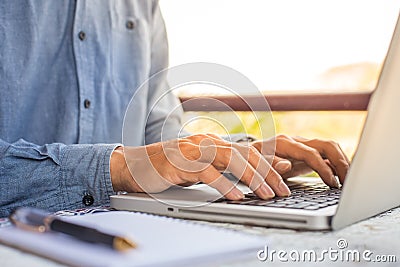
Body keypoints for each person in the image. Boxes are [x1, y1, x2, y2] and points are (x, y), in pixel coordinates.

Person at [0, 1, 349, 218]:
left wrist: (243, 157)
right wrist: (120, 167)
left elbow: (163, 141)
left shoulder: (142, 5)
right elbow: (138, 164)